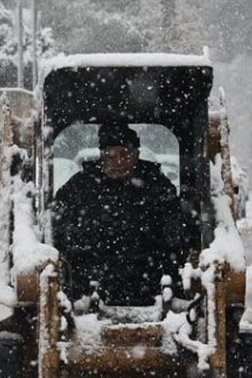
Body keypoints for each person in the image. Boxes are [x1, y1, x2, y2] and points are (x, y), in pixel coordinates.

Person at [52, 124, 186, 305]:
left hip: (151, 279)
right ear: (102, 156)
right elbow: (56, 222)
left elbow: (177, 231)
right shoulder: (80, 186)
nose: (118, 162)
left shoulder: (158, 186)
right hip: (89, 280)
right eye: (110, 156)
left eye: (125, 154)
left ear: (137, 155)